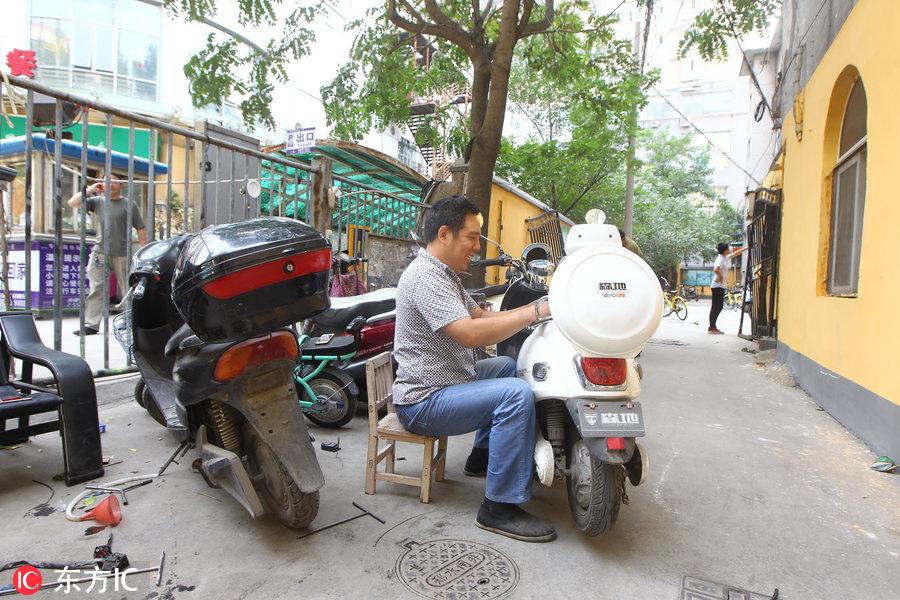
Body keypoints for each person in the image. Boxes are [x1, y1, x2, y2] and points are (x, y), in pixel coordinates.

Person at [392, 195, 555, 543]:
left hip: (447, 384)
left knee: (505, 366)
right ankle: (498, 507)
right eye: (472, 237)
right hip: (424, 402)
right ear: (445, 234)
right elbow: (467, 333)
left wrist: (537, 309)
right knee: (515, 394)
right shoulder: (425, 277)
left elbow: (480, 316)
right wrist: (533, 314)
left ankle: (482, 457)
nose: (477, 247)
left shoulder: (445, 274)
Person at [68, 176, 147, 335]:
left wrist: (144, 252)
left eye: (114, 181)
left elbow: (140, 228)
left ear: (121, 185)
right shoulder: (98, 201)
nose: (110, 184)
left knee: (128, 289)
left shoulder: (129, 204)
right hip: (100, 252)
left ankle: (130, 321)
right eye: (106, 181)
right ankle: (91, 324)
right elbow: (73, 203)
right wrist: (91, 189)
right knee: (97, 288)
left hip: (123, 253)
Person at [709, 242, 732, 334]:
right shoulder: (720, 259)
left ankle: (712, 327)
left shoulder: (725, 258)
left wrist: (747, 248)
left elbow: (735, 254)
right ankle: (712, 327)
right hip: (717, 286)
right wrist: (721, 277)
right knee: (716, 307)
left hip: (720, 286)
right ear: (725, 250)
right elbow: (715, 269)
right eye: (729, 248)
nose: (730, 249)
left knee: (718, 307)